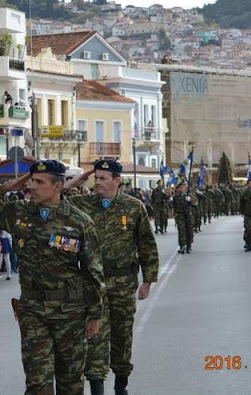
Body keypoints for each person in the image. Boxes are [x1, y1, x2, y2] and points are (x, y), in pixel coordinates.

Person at [0, 160, 105, 395]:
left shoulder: (79, 221)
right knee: (37, 381)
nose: (32, 186)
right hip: (32, 308)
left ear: (58, 186)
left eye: (40, 182)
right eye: (31, 181)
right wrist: (8, 187)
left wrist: (94, 314)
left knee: (70, 381)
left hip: (69, 311)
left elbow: (93, 269)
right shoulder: (19, 212)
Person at [64, 160, 159, 395]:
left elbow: (146, 244)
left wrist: (147, 281)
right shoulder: (83, 204)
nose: (98, 183)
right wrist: (73, 183)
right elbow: (57, 202)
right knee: (94, 337)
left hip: (124, 284)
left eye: (103, 178)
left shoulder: (134, 207)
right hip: (93, 285)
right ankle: (97, 388)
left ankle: (121, 386)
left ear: (117, 181)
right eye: (96, 178)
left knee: (122, 336)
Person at [173, 180, 194, 254]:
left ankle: (189, 245)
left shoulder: (189, 194)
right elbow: (174, 206)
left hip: (188, 215)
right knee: (181, 231)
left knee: (189, 230)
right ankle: (182, 246)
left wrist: (190, 200)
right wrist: (175, 215)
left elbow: (195, 203)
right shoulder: (176, 196)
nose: (183, 187)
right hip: (180, 215)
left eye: (184, 186)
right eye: (182, 186)